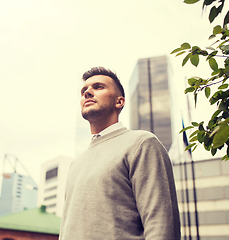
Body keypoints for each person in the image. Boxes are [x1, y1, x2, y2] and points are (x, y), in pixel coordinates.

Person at [59, 67, 180, 240]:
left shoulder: (141, 143)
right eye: (84, 90)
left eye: (98, 87)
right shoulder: (75, 164)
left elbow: (161, 224)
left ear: (119, 101)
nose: (87, 93)